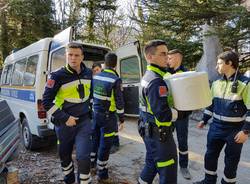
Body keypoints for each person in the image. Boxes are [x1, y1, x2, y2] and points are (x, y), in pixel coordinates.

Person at [194, 51, 250, 184]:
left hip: (235, 130)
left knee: (231, 160)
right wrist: (204, 119)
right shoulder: (216, 83)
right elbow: (211, 105)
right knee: (210, 156)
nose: (216, 67)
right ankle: (209, 180)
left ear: (229, 63)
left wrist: (246, 131)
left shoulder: (246, 84)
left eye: (219, 63)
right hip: (216, 127)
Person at [42, 42, 93, 184]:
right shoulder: (57, 76)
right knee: (64, 156)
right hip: (64, 124)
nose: (73, 58)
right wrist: (65, 118)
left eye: (76, 55)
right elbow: (46, 102)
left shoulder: (89, 73)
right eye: (70, 55)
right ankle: (69, 179)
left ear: (82, 57)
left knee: (83, 156)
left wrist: (91, 113)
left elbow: (91, 95)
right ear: (66, 56)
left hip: (83, 122)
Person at [138, 40, 178, 184]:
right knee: (168, 170)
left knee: (151, 164)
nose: (167, 57)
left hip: (149, 131)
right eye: (163, 54)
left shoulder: (147, 76)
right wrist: (182, 113)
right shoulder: (156, 81)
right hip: (160, 136)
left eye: (167, 54)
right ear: (150, 57)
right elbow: (163, 115)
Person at [92, 52, 125, 183]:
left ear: (104, 64)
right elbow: (119, 102)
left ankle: (91, 165)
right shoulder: (116, 80)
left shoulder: (96, 77)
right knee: (105, 146)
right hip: (108, 118)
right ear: (115, 64)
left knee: (95, 140)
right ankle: (103, 175)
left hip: (95, 115)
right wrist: (121, 119)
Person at [166, 49, 192, 180]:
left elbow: (191, 95)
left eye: (170, 58)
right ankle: (167, 164)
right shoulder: (164, 72)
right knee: (165, 139)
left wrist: (186, 112)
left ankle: (183, 166)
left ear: (177, 58)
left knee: (182, 141)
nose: (167, 60)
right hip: (168, 114)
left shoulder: (187, 74)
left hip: (182, 115)